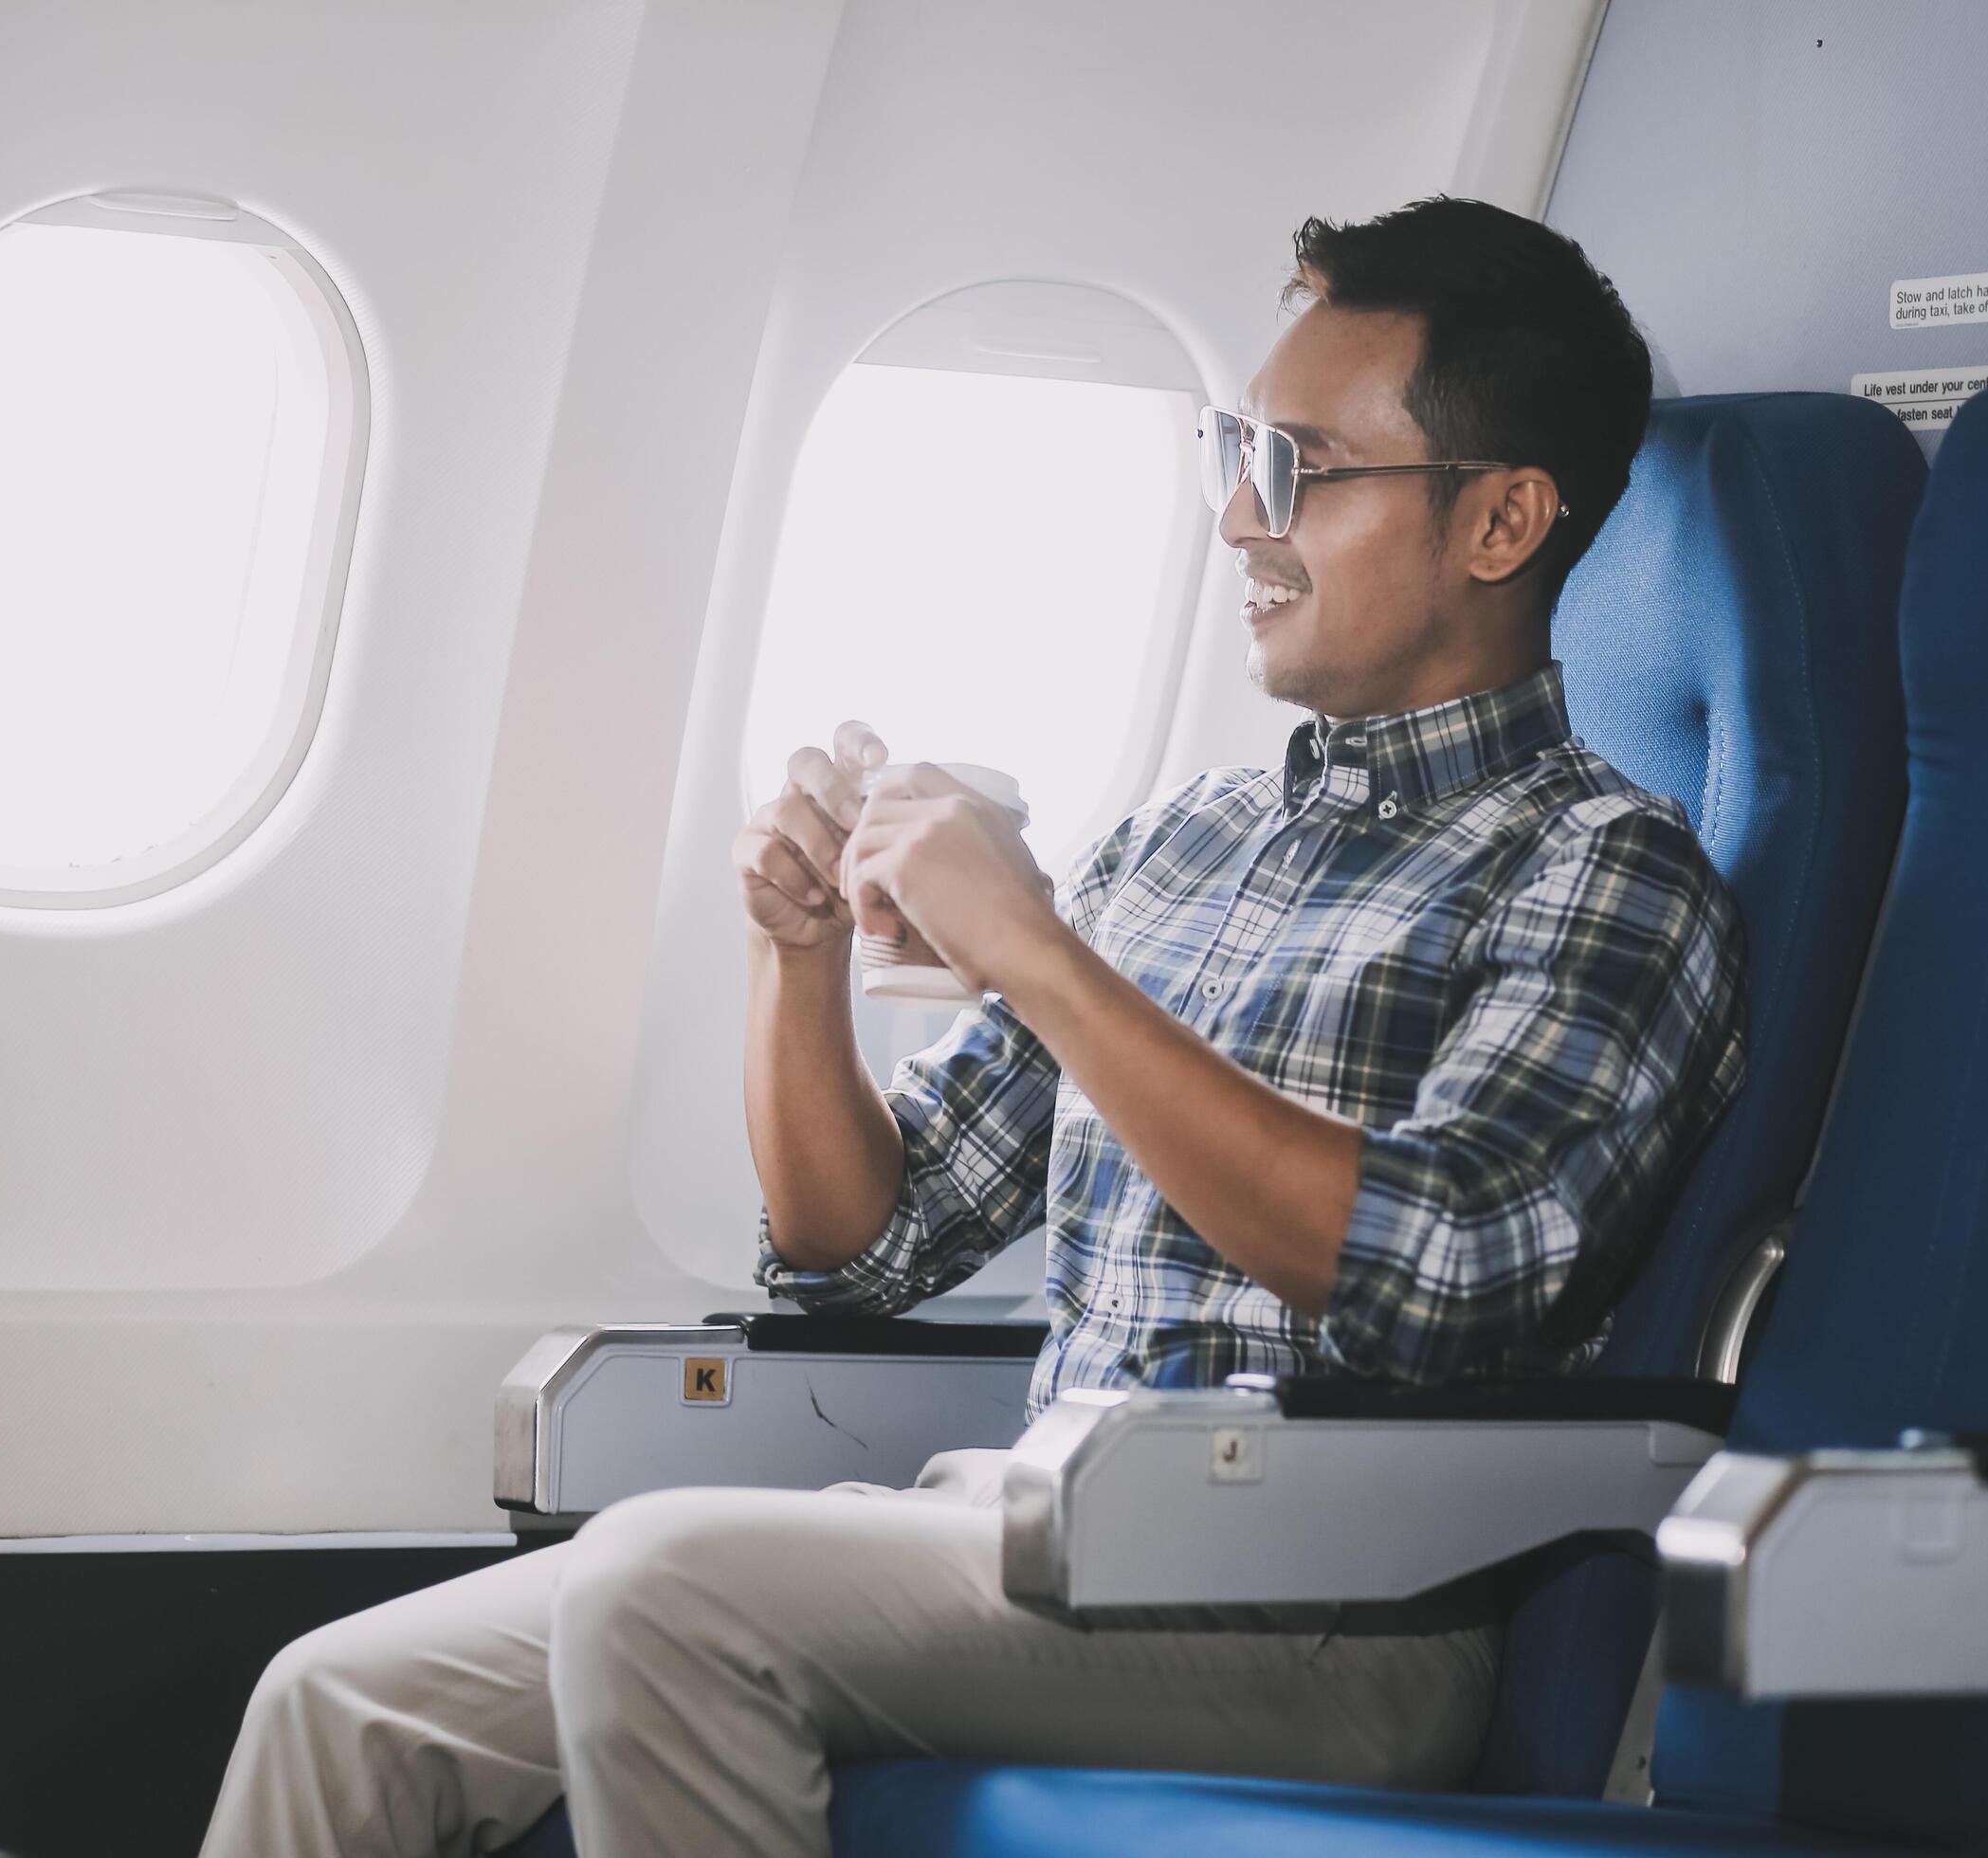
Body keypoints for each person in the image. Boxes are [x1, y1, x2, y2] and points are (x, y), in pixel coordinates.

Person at [202, 196, 1747, 1858]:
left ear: (1502, 522)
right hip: (1034, 1533)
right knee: (337, 1698)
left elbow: (1445, 1277)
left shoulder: (1603, 869)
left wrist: (1043, 957)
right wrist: (793, 955)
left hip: (1330, 1605)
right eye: (1236, 450)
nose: (1237, 517)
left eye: (1297, 467)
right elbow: (867, 1246)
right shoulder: (1189, 837)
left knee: (670, 1587)